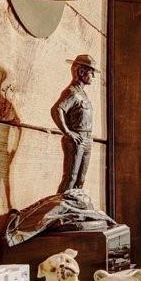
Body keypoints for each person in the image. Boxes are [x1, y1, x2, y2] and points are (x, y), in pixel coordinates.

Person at [52, 54, 97, 193]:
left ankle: (74, 209)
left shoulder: (82, 93)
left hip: (87, 139)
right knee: (70, 178)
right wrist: (67, 132)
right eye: (91, 72)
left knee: (80, 179)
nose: (93, 77)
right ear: (82, 72)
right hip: (76, 140)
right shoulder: (71, 92)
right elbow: (57, 109)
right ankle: (60, 207)